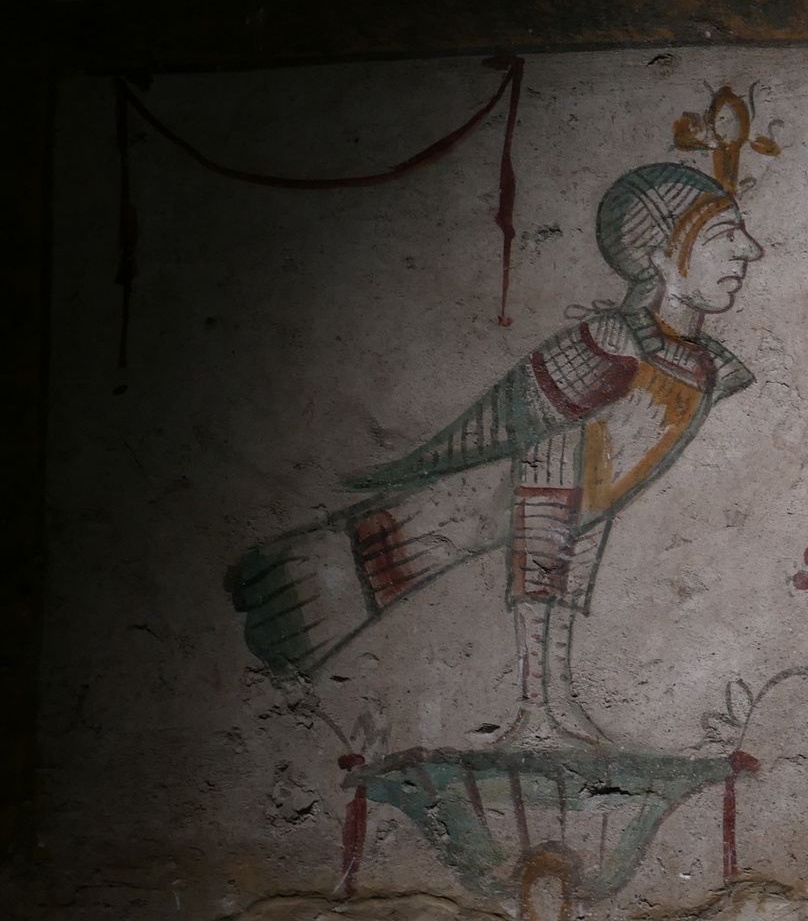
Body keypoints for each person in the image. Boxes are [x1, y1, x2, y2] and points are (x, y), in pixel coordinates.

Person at [229, 161, 763, 750]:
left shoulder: (703, 365)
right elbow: (519, 437)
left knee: (566, 551)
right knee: (529, 547)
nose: (750, 250)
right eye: (724, 236)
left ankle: (558, 703)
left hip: (575, 503)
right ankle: (536, 709)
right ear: (659, 256)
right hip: (533, 483)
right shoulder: (619, 343)